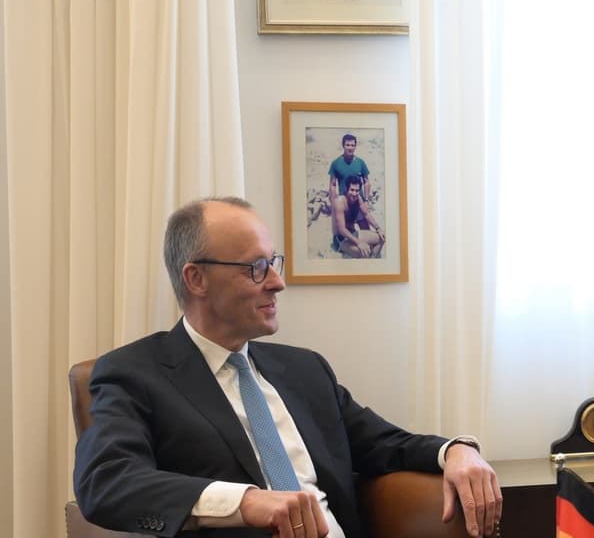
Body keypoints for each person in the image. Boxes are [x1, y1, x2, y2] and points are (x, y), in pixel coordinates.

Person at [74, 197, 501, 538]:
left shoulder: (304, 369)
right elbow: (106, 482)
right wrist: (246, 502)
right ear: (196, 279)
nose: (278, 282)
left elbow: (385, 444)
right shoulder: (135, 374)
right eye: (255, 268)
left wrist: (456, 451)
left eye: (273, 263)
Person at [332, 176, 385, 258]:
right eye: (352, 190)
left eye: (357, 190)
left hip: (353, 234)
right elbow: (341, 230)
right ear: (347, 189)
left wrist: (378, 228)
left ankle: (372, 262)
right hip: (341, 240)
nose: (354, 193)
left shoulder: (358, 198)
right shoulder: (339, 202)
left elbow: (366, 214)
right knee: (365, 253)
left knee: (382, 238)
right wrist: (359, 242)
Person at [328, 133, 371, 206]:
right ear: (343, 146)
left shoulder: (360, 162)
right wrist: (333, 203)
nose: (350, 148)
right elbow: (333, 184)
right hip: (344, 202)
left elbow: (366, 182)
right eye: (347, 145)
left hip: (359, 202)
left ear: (355, 146)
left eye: (352, 145)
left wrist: (366, 200)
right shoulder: (336, 163)